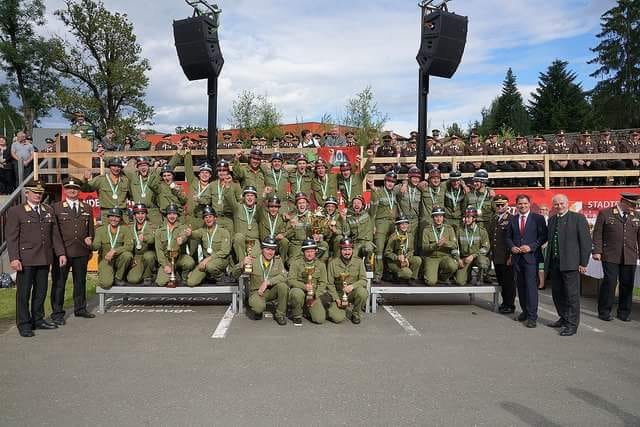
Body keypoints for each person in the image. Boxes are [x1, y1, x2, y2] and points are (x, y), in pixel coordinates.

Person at [7, 181, 66, 337]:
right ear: (27, 193)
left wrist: (61, 253)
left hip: (44, 257)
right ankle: (24, 323)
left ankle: (38, 319)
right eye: (34, 192)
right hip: (25, 259)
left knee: (41, 291)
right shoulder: (16, 211)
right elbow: (12, 238)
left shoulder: (48, 210)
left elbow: (55, 235)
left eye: (40, 192)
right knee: (24, 293)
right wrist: (14, 258)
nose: (38, 195)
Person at [545, 194, 591, 336]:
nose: (559, 206)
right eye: (556, 204)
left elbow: (585, 242)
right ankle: (563, 317)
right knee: (557, 293)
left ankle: (572, 324)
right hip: (555, 263)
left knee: (571, 296)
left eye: (561, 203)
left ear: (567, 203)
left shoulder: (578, 218)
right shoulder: (552, 220)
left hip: (571, 263)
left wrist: (583, 262)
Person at [50, 178, 95, 325]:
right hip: (62, 252)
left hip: (81, 251)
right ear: (65, 190)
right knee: (59, 283)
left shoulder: (86, 207)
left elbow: (90, 230)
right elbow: (54, 233)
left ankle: (80, 308)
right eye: (69, 188)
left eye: (75, 188)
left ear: (79, 190)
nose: (72, 191)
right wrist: (59, 252)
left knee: (80, 282)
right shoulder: (56, 207)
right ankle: (57, 313)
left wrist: (89, 246)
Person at [592, 193, 640, 322]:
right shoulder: (606, 213)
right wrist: (597, 251)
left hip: (629, 255)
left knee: (627, 284)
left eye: (635, 205)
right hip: (610, 255)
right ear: (623, 202)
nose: (634, 208)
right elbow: (597, 233)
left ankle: (624, 313)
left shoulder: (636, 216)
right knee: (610, 283)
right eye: (632, 205)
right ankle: (604, 311)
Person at [506, 195, 548, 328]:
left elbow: (543, 236)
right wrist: (512, 247)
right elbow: (508, 237)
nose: (522, 206)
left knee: (531, 288)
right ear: (516, 205)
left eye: (525, 203)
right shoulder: (513, 219)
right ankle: (524, 311)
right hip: (517, 259)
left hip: (531, 258)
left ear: (529, 204)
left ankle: (532, 316)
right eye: (520, 204)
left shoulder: (538, 218)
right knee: (521, 287)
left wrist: (531, 247)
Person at [234, 237, 288, 325]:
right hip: (257, 292)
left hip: (271, 291)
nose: (270, 252)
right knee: (258, 308)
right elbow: (234, 274)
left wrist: (268, 282)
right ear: (262, 249)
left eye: (273, 249)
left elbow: (284, 276)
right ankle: (258, 309)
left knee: (283, 286)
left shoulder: (278, 261)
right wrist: (242, 264)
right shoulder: (253, 260)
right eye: (268, 249)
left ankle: (280, 314)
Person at [287, 238, 333, 326]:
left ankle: (307, 309)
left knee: (319, 319)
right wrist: (304, 287)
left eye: (312, 251)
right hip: (300, 290)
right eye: (307, 251)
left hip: (313, 294)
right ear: (303, 252)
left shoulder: (321, 265)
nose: (309, 254)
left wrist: (316, 296)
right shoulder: (296, 263)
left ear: (315, 251)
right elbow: (290, 280)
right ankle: (297, 315)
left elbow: (323, 282)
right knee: (297, 294)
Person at [326, 237, 369, 324]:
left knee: (362, 292)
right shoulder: (332, 263)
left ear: (352, 250)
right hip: (339, 294)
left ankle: (356, 313)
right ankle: (333, 308)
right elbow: (329, 284)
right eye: (344, 249)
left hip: (352, 293)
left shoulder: (359, 262)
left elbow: (364, 280)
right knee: (337, 318)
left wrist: (352, 286)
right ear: (340, 250)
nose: (347, 252)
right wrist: (336, 299)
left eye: (349, 249)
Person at [187, 206, 231, 286]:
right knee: (191, 282)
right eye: (206, 217)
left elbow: (225, 251)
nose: (208, 219)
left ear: (215, 218)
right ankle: (209, 275)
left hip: (220, 260)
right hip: (206, 262)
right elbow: (194, 234)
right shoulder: (202, 231)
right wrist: (190, 233)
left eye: (210, 216)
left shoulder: (223, 231)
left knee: (210, 266)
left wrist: (206, 260)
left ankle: (221, 277)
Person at [91, 208, 134, 289]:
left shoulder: (125, 229)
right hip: (106, 260)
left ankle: (118, 277)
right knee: (106, 284)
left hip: (119, 259)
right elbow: (96, 247)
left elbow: (129, 246)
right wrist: (90, 244)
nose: (114, 219)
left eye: (117, 217)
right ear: (108, 218)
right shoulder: (100, 230)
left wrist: (114, 251)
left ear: (120, 219)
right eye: (112, 216)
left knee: (127, 255)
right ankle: (107, 275)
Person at [154, 204, 195, 287]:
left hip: (179, 258)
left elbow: (184, 235)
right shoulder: (159, 231)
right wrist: (165, 265)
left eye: (174, 214)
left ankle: (183, 276)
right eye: (169, 214)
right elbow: (159, 251)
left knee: (189, 262)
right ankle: (173, 273)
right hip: (167, 260)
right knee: (160, 282)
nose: (172, 216)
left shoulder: (182, 227)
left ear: (177, 215)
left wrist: (182, 239)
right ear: (166, 215)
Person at [487, 194, 515, 314]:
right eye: (497, 205)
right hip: (497, 256)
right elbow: (490, 237)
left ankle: (510, 304)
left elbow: (514, 239)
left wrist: (511, 256)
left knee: (508, 282)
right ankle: (505, 303)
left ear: (507, 205)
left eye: (502, 205)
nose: (499, 207)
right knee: (501, 281)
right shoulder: (493, 219)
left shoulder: (512, 219)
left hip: (507, 256)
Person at [369, 171, 399, 282]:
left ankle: (388, 272)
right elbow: (372, 212)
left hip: (393, 224)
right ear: (384, 181)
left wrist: (405, 183)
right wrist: (373, 226)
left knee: (390, 249)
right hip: (381, 223)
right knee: (379, 250)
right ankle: (378, 275)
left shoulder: (394, 193)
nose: (390, 183)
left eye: (392, 182)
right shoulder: (378, 192)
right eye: (388, 181)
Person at [82, 157, 130, 224]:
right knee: (107, 230)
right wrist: (85, 179)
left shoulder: (125, 180)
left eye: (118, 166)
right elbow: (85, 189)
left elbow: (131, 195)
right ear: (109, 167)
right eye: (114, 166)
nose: (116, 168)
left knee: (124, 230)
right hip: (107, 213)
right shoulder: (101, 179)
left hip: (122, 213)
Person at [455, 206, 491, 286]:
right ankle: (468, 276)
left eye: (468, 217)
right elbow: (455, 247)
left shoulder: (482, 231)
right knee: (459, 281)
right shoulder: (460, 231)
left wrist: (473, 255)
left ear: (474, 218)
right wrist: (458, 259)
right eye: (465, 217)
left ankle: (480, 278)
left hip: (477, 257)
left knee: (482, 262)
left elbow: (485, 248)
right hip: (465, 259)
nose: (466, 219)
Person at [422, 207, 458, 286]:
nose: (439, 219)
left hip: (445, 256)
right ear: (432, 218)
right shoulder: (427, 230)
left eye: (441, 216)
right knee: (431, 282)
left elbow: (455, 245)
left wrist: (445, 243)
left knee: (453, 266)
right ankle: (430, 272)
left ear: (443, 217)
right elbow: (424, 247)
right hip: (432, 257)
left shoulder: (449, 229)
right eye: (436, 216)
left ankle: (442, 277)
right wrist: (435, 245)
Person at [384, 214, 422, 283]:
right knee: (407, 273)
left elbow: (411, 250)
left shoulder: (410, 236)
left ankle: (412, 278)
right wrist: (397, 257)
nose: (404, 226)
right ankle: (396, 276)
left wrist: (407, 257)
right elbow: (387, 253)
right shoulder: (393, 237)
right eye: (402, 224)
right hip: (395, 262)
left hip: (405, 259)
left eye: (406, 224)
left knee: (417, 260)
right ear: (398, 225)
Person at [126, 204, 156, 286]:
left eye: (143, 213)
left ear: (146, 215)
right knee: (132, 279)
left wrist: (145, 238)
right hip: (136, 256)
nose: (140, 216)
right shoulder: (130, 227)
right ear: (134, 215)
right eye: (138, 213)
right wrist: (131, 259)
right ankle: (143, 272)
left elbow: (152, 239)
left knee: (149, 256)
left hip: (148, 253)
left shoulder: (151, 226)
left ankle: (148, 275)